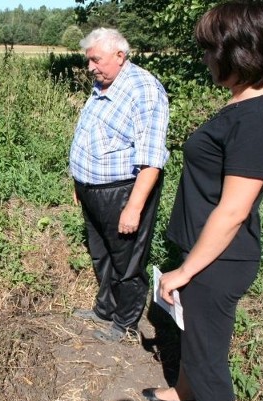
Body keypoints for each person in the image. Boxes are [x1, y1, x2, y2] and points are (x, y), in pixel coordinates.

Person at [141, 1, 263, 401]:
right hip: (206, 249)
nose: (205, 59)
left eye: (210, 50)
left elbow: (234, 210)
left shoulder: (256, 117)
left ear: (236, 52)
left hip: (222, 256)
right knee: (195, 331)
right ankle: (184, 389)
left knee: (208, 348)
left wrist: (186, 272)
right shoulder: (245, 105)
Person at [69, 28, 170, 343]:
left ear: (120, 56)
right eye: (89, 61)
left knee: (127, 262)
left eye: (96, 60)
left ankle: (124, 323)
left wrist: (134, 206)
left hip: (123, 191)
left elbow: (151, 158)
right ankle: (104, 309)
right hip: (92, 189)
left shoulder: (144, 90)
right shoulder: (103, 84)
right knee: (102, 254)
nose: (91, 68)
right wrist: (79, 180)